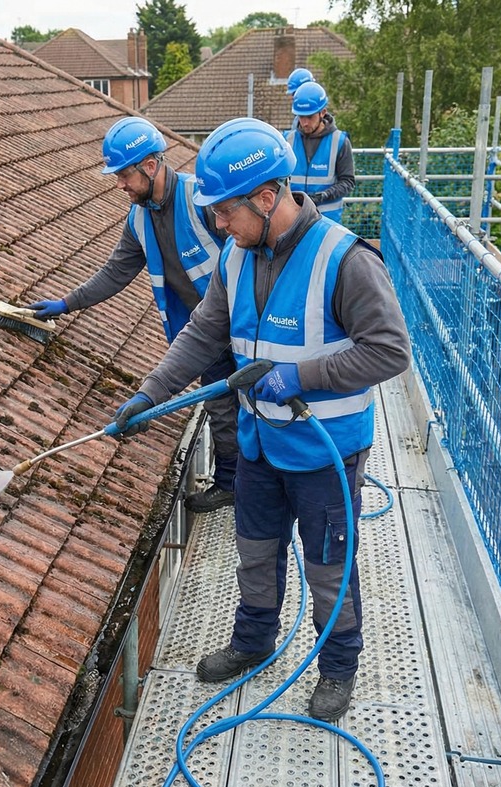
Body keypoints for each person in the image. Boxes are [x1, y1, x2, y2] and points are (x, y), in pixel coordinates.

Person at [111, 118, 410, 722]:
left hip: (324, 453)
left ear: (267, 198)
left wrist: (299, 376)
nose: (218, 225)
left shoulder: (345, 261)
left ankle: (338, 666)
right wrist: (150, 392)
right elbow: (202, 333)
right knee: (255, 550)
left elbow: (389, 351)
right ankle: (253, 642)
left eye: (226, 213)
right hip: (259, 445)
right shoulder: (236, 257)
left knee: (327, 567)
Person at [25, 116, 240, 513]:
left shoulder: (202, 200)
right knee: (222, 410)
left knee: (260, 404)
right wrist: (65, 304)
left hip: (243, 325)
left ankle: (270, 483)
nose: (119, 184)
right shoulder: (139, 219)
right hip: (200, 335)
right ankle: (231, 484)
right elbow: (115, 273)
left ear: (151, 165)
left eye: (124, 174)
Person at [286, 81, 355, 224]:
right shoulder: (287, 140)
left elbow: (348, 182)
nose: (304, 123)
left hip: (327, 221)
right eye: (301, 116)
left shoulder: (340, 141)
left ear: (322, 112)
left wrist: (323, 195)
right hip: (293, 219)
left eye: (310, 117)